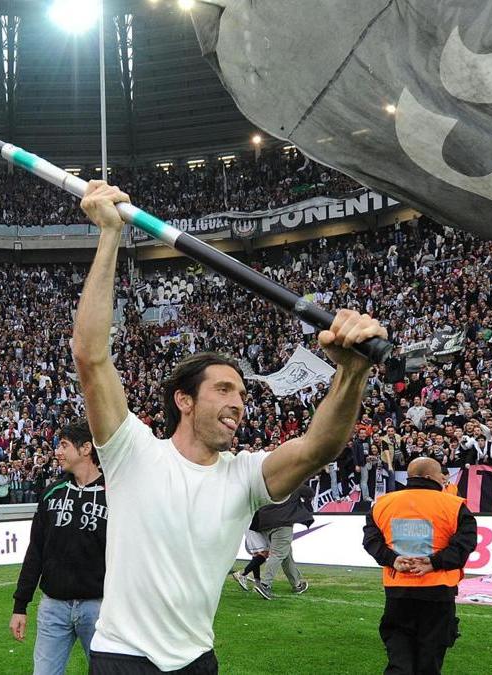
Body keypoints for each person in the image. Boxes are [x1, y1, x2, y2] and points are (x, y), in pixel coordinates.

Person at [73, 180, 387, 674]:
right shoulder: (132, 452)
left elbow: (319, 447)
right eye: (223, 389)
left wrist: (351, 372)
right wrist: (110, 235)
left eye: (241, 393)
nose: (239, 402)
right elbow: (91, 358)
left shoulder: (244, 476)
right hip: (122, 659)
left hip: (199, 661)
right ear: (184, 401)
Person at [362, 457, 477, 675]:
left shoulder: (383, 503)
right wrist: (434, 563)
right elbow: (466, 544)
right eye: (441, 477)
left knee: (399, 655)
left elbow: (371, 541)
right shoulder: (454, 505)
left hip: (398, 590)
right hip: (438, 589)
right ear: (429, 477)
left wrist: (392, 559)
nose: (445, 481)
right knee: (430, 657)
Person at [10, 419, 107, 675]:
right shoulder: (52, 493)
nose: (58, 451)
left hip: (99, 608)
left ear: (86, 448)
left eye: (64, 445)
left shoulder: (115, 494)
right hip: (53, 607)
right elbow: (36, 551)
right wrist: (20, 606)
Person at [251, 485, 313, 600]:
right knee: (279, 554)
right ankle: (265, 584)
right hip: (283, 522)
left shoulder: (269, 483)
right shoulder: (294, 484)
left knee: (286, 553)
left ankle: (297, 584)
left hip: (265, 523)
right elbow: (309, 492)